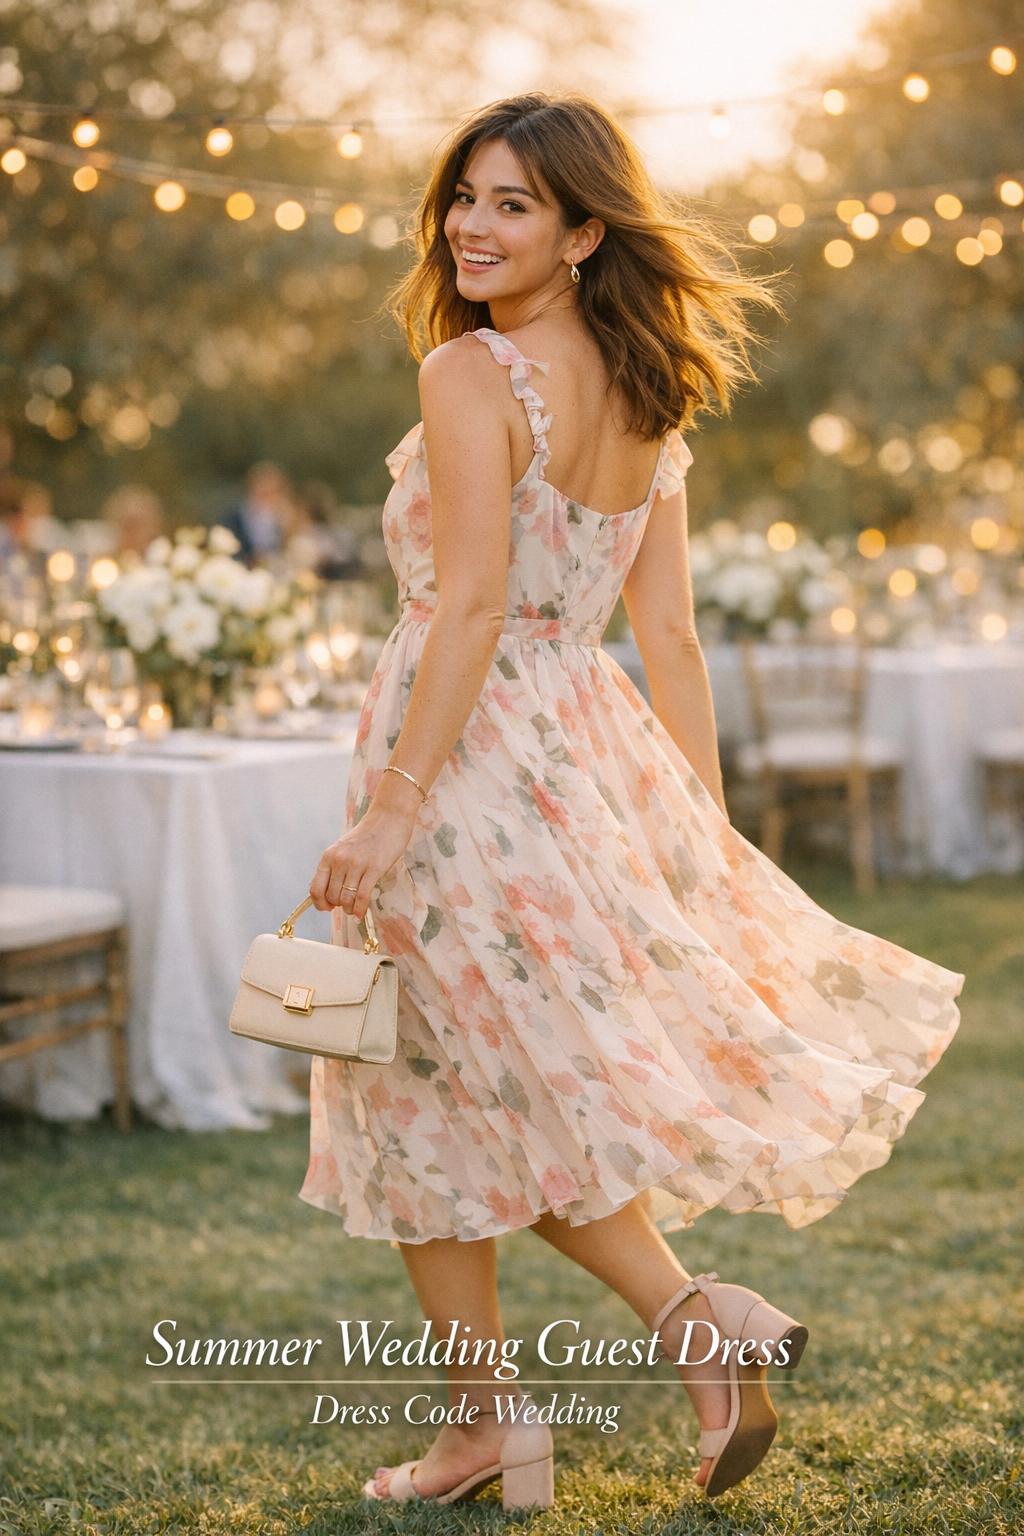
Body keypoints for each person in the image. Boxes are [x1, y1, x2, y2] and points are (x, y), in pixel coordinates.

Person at [300, 93, 965, 1510]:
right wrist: (695, 827)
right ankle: (527, 1405)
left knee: (422, 1081)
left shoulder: (472, 375)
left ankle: (618, 1358)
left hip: (464, 758)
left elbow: (473, 602)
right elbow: (667, 641)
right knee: (479, 1082)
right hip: (577, 753)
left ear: (585, 229)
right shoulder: (650, 392)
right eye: (465, 197)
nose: (474, 227)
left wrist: (395, 807)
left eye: (514, 205)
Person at [219, 460, 292, 564]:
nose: (267, 497)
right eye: (263, 490)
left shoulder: (285, 519)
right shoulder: (232, 518)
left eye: (272, 492)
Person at [101, 484, 164, 558]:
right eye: (129, 525)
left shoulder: (166, 562)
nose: (136, 534)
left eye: (142, 525)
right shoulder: (104, 564)